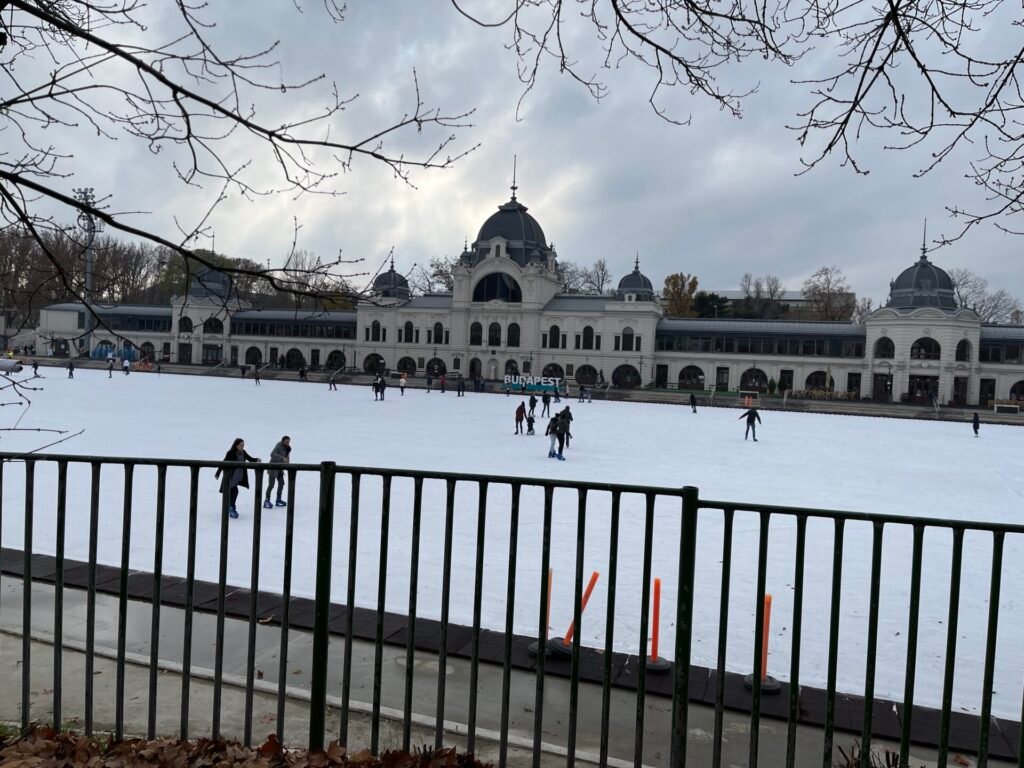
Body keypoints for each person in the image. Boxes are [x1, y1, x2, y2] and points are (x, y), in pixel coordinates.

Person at [214, 438, 260, 519]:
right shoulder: (231, 453)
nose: (242, 447)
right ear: (236, 445)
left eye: (243, 445)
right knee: (234, 491)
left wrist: (256, 460)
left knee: (233, 491)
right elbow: (223, 462)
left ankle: (230, 507)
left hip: (238, 476)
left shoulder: (243, 452)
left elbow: (250, 459)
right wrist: (218, 472)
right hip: (230, 476)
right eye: (241, 445)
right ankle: (231, 507)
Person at [264, 436, 291, 508]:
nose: (287, 443)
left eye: (288, 442)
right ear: (282, 441)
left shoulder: (288, 448)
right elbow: (272, 454)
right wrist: (282, 458)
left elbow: (287, 458)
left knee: (282, 483)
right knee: (271, 485)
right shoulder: (278, 446)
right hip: (273, 468)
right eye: (286, 442)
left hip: (280, 468)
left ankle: (278, 499)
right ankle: (267, 500)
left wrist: (287, 463)